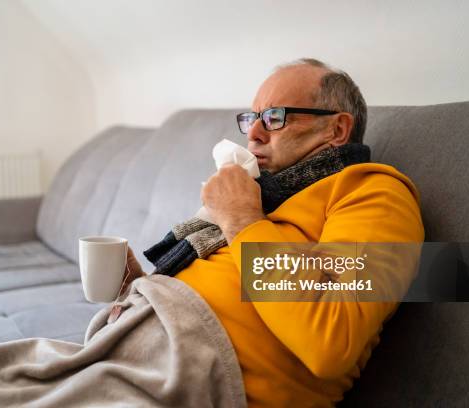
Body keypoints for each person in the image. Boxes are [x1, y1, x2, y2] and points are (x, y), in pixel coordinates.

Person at [122, 58, 424, 407]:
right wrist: (134, 287)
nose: (253, 133)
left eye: (275, 117)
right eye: (252, 119)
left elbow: (330, 339)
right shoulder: (266, 195)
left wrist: (242, 220)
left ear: (337, 130)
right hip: (137, 344)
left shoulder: (375, 192)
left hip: (190, 378)